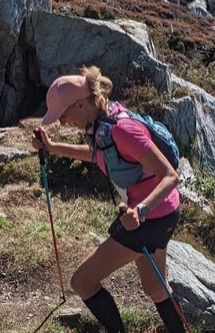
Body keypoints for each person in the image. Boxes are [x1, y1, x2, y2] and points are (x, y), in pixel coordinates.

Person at [31, 66, 187, 333]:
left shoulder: (123, 130)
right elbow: (97, 155)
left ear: (81, 104)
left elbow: (171, 176)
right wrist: (53, 148)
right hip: (160, 213)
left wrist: (141, 210)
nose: (63, 122)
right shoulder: (102, 124)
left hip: (150, 217)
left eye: (64, 114)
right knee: (155, 288)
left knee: (83, 282)